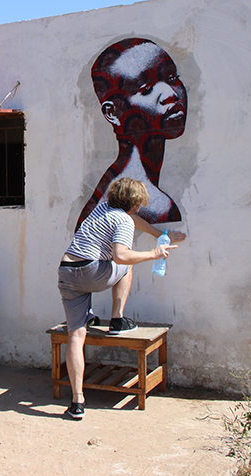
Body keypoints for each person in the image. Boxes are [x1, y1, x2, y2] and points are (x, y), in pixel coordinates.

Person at [59, 177, 184, 420]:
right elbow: (121, 256)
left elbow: (133, 220)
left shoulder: (103, 208)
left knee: (75, 334)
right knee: (128, 265)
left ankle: (77, 401)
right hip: (92, 273)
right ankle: (117, 319)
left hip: (66, 271)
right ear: (135, 202)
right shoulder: (124, 219)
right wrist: (155, 253)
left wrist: (160, 233)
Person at [78, 38, 188, 228]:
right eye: (146, 89)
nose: (170, 94)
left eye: (171, 78)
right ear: (113, 113)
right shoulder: (156, 204)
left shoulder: (118, 188)